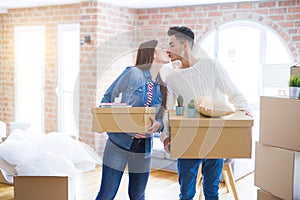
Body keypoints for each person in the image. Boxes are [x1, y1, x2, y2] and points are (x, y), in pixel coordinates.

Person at [161, 26, 251, 200]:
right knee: (186, 193)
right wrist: (166, 135)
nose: (167, 49)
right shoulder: (172, 77)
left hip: (213, 137)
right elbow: (169, 110)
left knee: (211, 191)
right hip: (187, 139)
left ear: (184, 44)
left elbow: (234, 93)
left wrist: (245, 112)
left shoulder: (211, 66)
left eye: (171, 44)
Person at [95, 39, 170, 200]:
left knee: (138, 195)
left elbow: (163, 117)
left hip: (144, 148)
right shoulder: (132, 73)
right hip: (119, 143)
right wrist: (113, 123)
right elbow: (107, 98)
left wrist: (159, 125)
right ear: (152, 53)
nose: (166, 50)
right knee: (107, 195)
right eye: (162, 48)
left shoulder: (163, 84)